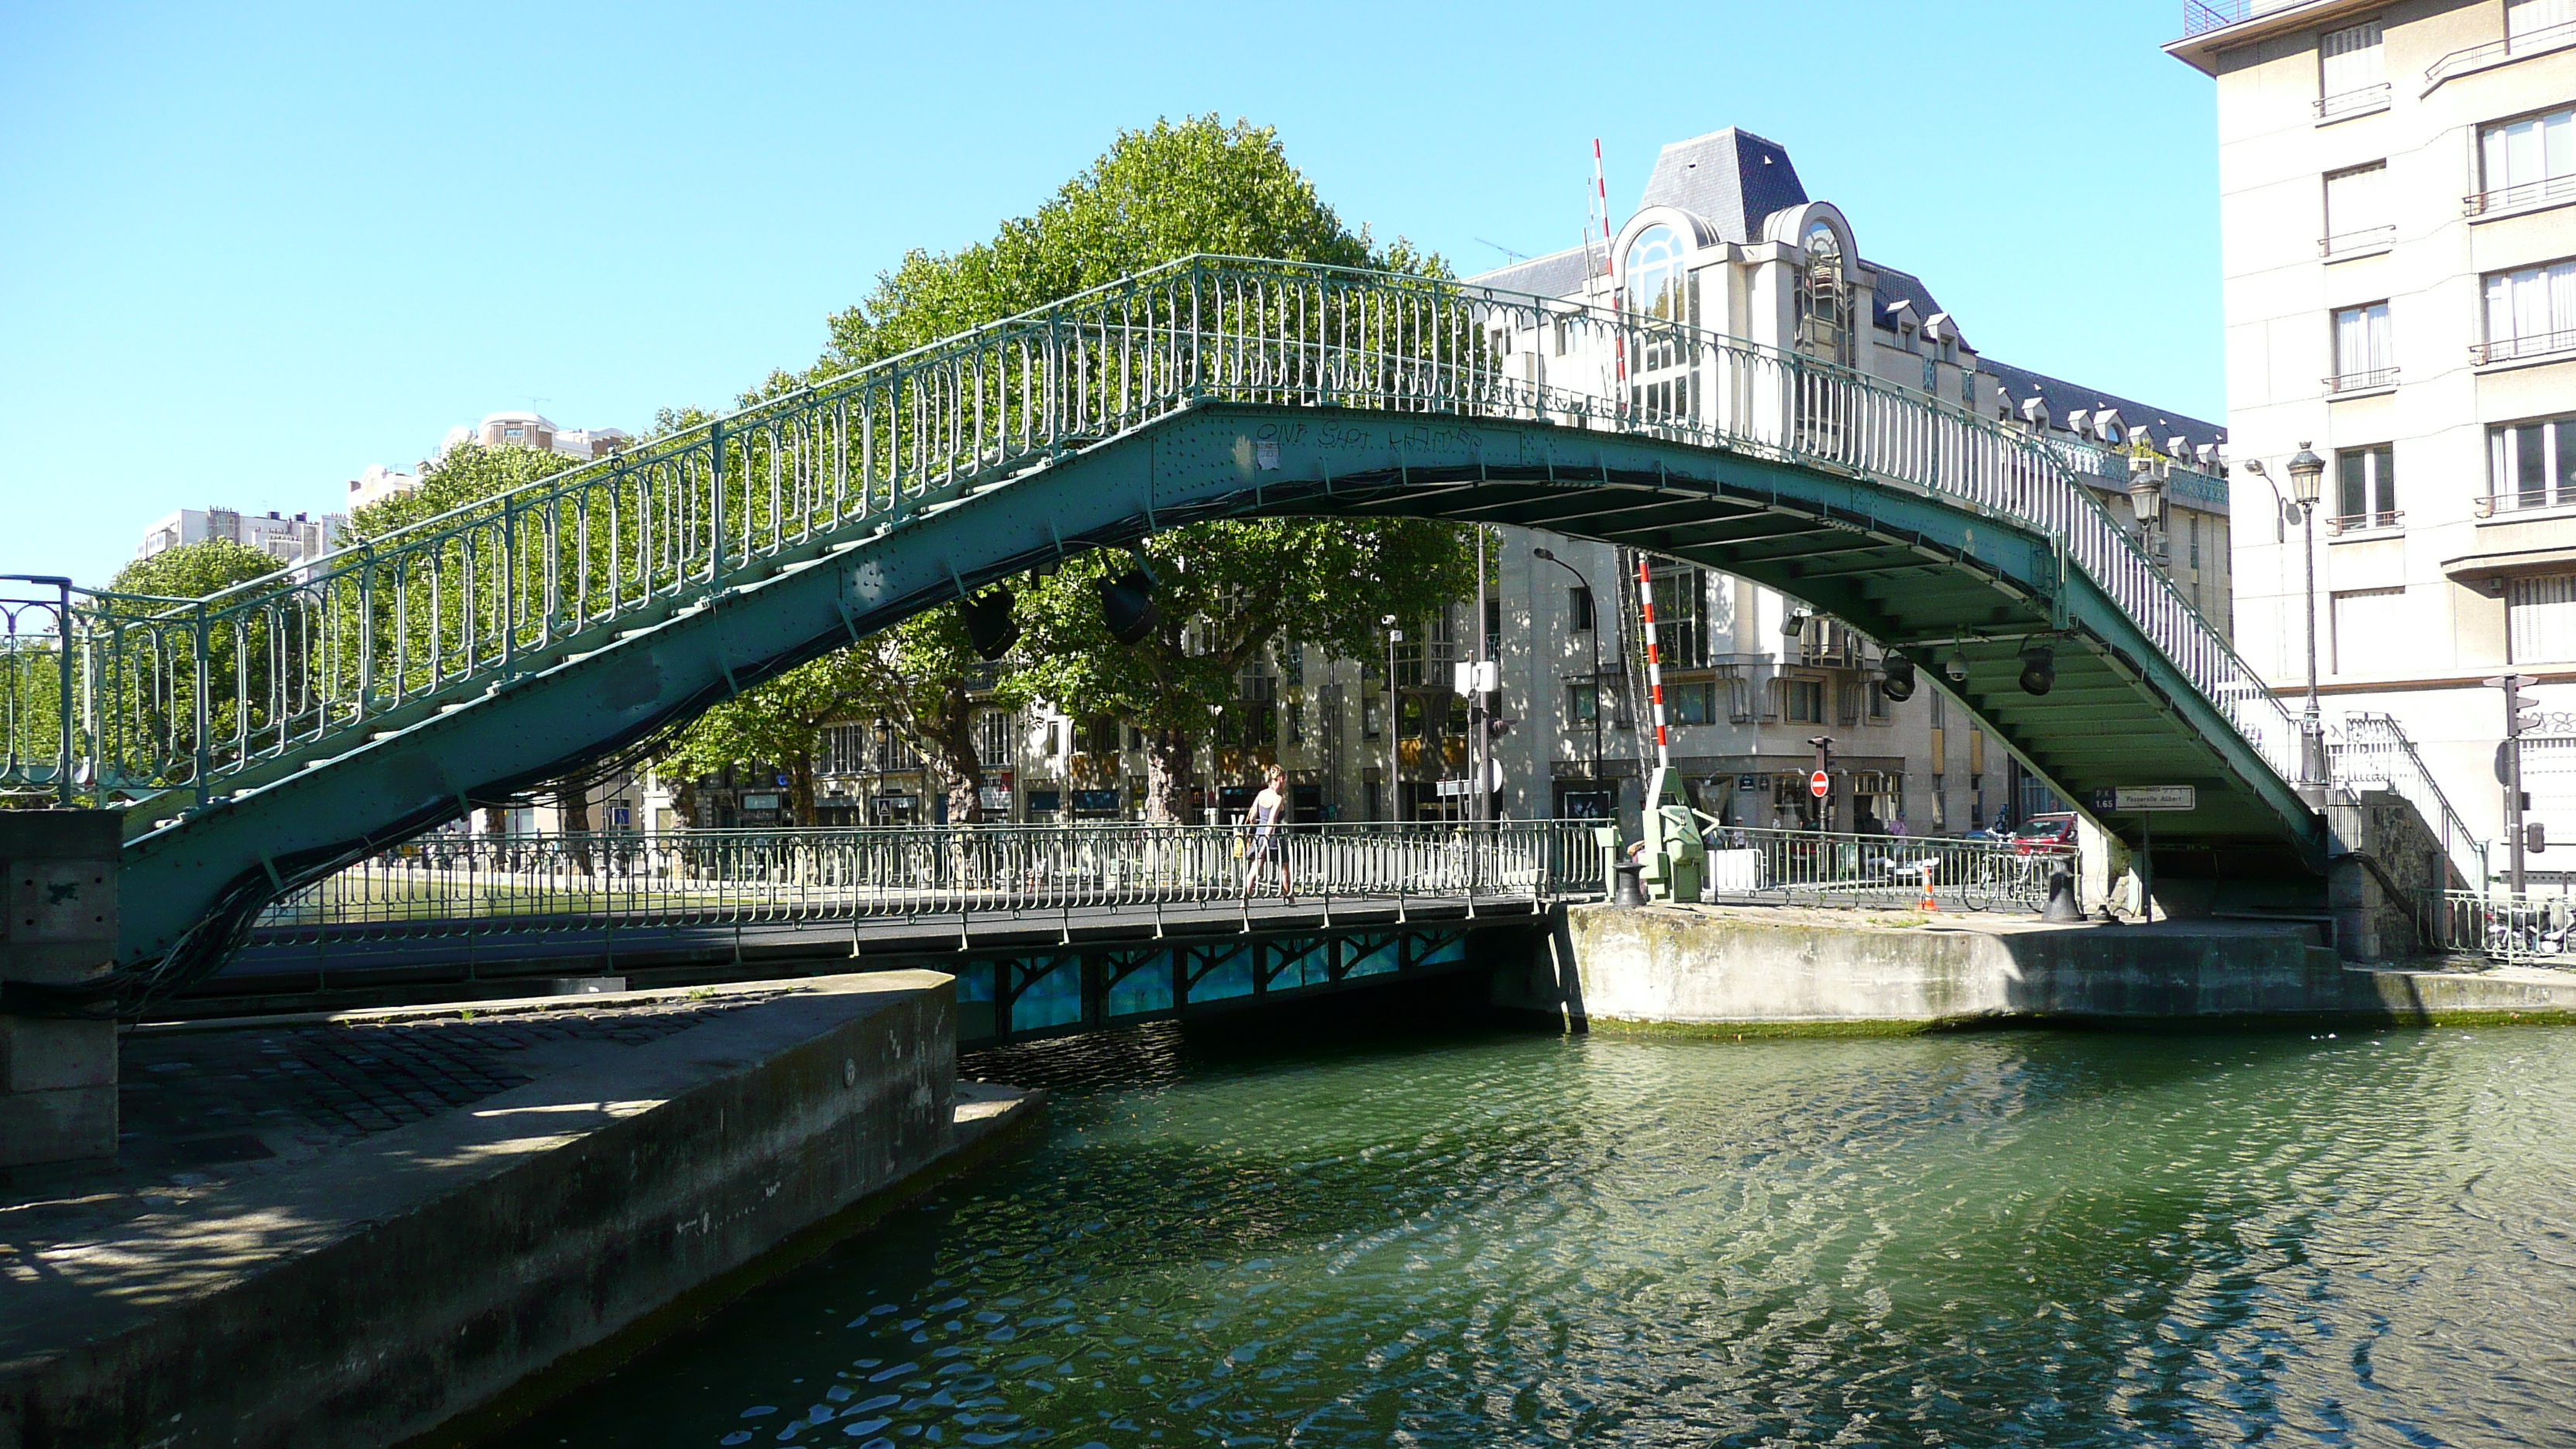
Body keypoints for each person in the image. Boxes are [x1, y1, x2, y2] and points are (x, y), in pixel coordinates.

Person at [1241, 765, 1294, 901]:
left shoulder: (1261, 794)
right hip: (1273, 838)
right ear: (1281, 778)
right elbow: (1271, 821)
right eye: (1285, 780)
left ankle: (1245, 898)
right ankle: (1289, 896)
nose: (1286, 783)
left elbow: (1252, 816)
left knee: (1255, 868)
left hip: (1259, 835)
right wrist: (1265, 843)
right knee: (1284, 866)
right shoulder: (1278, 799)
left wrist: (1250, 835)